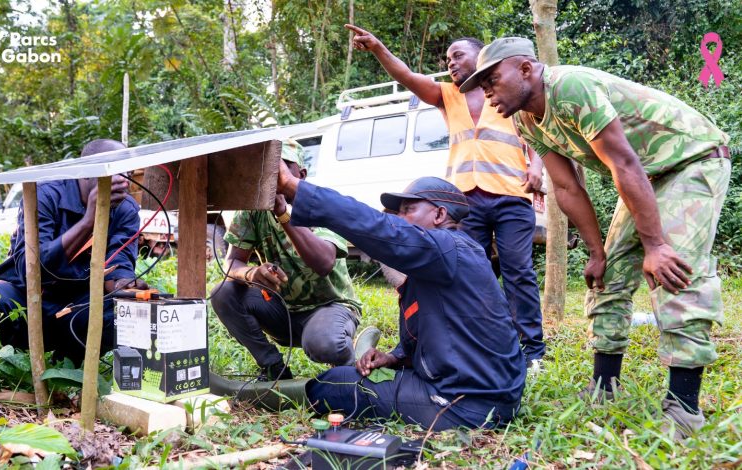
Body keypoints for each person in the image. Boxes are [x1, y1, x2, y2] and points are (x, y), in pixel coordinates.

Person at [458, 37, 731, 438]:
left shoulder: (571, 86)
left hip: (690, 161)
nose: (488, 93)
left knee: (674, 271)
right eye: (482, 86)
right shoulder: (525, 118)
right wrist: (596, 251)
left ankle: (684, 410)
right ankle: (604, 387)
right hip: (644, 176)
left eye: (493, 80)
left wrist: (655, 245)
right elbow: (567, 188)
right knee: (607, 279)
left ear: (526, 70)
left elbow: (622, 161)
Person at [345, 24, 546, 366]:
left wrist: (537, 167)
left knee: (519, 272)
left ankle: (532, 351)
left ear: (480, 58)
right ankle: (480, 340)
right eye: (447, 58)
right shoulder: (447, 94)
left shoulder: (510, 90)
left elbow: (538, 133)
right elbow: (407, 76)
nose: (451, 63)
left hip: (512, 195)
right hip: (464, 203)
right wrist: (379, 48)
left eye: (458, 55)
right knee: (468, 272)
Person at [275, 159, 526, 430]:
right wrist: (393, 358)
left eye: (408, 209)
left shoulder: (449, 246)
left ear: (440, 215)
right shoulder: (439, 266)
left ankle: (266, 394)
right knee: (347, 377)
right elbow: (439, 337)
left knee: (333, 385)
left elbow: (377, 227)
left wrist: (292, 187)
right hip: (488, 395)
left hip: (465, 405)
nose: (399, 219)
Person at [0, 139, 147, 364]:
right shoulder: (44, 193)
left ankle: (68, 371)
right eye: (115, 171)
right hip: (27, 296)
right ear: (86, 170)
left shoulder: (126, 209)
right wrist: (89, 220)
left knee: (124, 315)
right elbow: (32, 268)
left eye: (128, 173)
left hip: (77, 306)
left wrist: (127, 287)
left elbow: (118, 265)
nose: (123, 181)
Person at [210, 140, 366, 381]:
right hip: (282, 311)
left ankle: (347, 369)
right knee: (223, 292)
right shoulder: (253, 210)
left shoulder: (321, 203)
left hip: (329, 307)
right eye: (267, 168)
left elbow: (323, 262)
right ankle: (274, 368)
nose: (273, 176)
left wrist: (283, 214)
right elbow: (232, 263)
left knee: (324, 343)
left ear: (300, 174)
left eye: (281, 168)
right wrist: (252, 274)